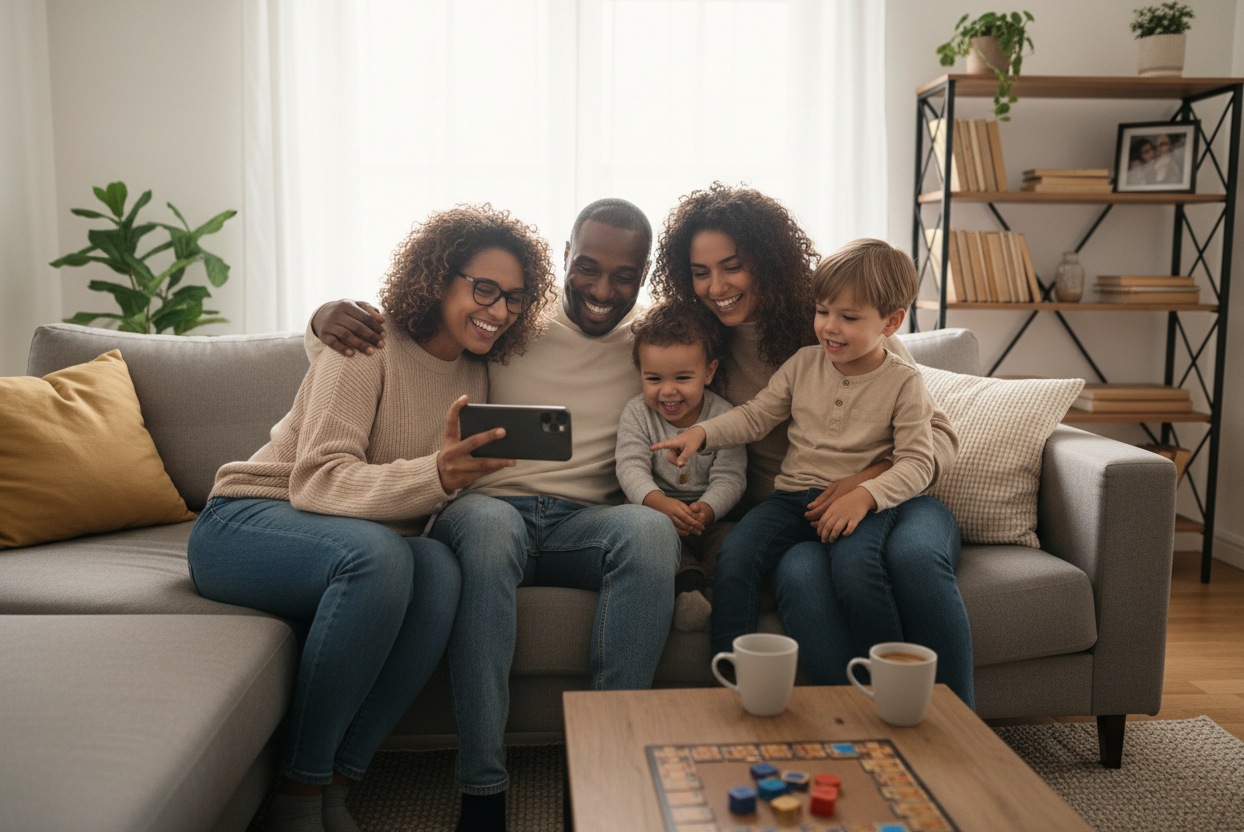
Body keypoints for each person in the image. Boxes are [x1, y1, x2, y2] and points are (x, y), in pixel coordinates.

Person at [307, 198, 680, 832]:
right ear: (564, 257)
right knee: (484, 528)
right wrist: (320, 318)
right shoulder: (511, 322)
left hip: (583, 525)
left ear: (645, 275)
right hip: (488, 507)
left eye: (624, 275)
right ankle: (482, 792)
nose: (601, 289)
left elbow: (743, 352)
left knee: (650, 531)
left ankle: (606, 778)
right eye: (587, 267)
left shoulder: (650, 343)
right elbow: (414, 327)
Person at [187, 204, 556, 832]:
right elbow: (316, 480)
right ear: (439, 277)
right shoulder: (365, 343)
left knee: (438, 568)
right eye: (484, 288)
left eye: (514, 299)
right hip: (247, 521)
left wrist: (459, 480)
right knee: (380, 557)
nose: (498, 311)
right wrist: (435, 475)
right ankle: (297, 793)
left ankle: (338, 780)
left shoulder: (475, 371)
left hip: (351, 541)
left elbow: (426, 499)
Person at [650, 182, 974, 708]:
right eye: (700, 272)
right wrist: (697, 436)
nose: (716, 286)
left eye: (732, 265)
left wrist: (863, 484)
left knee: (902, 560)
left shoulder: (841, 328)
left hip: (882, 496)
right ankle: (847, 716)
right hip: (790, 506)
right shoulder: (697, 347)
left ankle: (956, 720)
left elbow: (935, 441)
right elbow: (751, 418)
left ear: (767, 260)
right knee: (798, 574)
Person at [615, 301, 747, 632]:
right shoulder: (637, 414)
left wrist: (707, 509)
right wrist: (657, 503)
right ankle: (688, 588)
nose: (668, 390)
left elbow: (730, 477)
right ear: (640, 374)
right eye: (654, 378)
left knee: (733, 541)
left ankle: (731, 590)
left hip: (710, 517)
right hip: (657, 517)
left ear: (709, 372)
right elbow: (630, 467)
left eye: (683, 378)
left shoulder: (724, 417)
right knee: (659, 546)